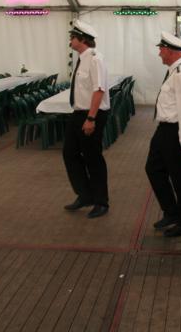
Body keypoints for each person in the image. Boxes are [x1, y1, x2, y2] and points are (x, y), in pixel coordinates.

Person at [146, 32, 181, 237]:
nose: (159, 53)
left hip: (176, 131)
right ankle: (172, 212)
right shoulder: (175, 70)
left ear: (169, 51)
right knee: (153, 168)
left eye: (161, 49)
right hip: (164, 129)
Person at [63, 20, 111, 218]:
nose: (70, 40)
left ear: (82, 39)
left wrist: (91, 118)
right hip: (79, 112)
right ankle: (85, 194)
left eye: (72, 37)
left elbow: (99, 90)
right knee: (69, 153)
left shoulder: (94, 59)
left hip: (93, 113)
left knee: (93, 158)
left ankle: (101, 201)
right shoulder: (81, 58)